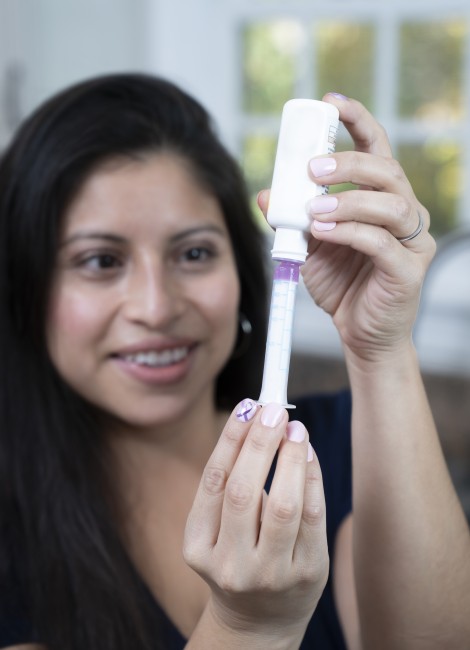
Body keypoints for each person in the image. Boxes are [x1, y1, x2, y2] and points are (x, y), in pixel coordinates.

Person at [0, 73, 468, 650]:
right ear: (26, 290)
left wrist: (381, 350)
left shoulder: (342, 445)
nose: (157, 307)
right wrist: (249, 627)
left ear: (241, 273)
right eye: (100, 261)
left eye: (194, 253)